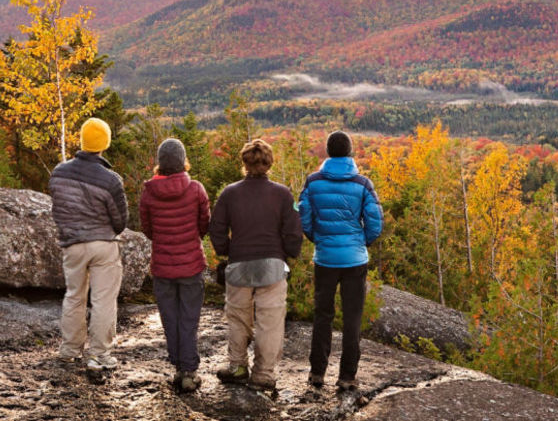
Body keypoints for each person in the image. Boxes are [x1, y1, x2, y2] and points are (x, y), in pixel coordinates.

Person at [209, 139, 303, 392]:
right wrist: (288, 254)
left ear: (245, 162)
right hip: (273, 265)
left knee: (238, 318)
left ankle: (238, 366)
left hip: (239, 265)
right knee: (269, 322)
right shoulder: (283, 194)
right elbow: (294, 231)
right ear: (269, 163)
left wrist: (227, 251)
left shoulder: (230, 193)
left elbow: (216, 228)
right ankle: (263, 373)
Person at [299, 130, 383, 392]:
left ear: (328, 152)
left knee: (322, 315)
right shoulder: (363, 183)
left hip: (325, 258)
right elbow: (375, 222)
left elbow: (304, 215)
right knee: (352, 318)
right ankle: (347, 376)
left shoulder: (313, 182)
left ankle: (317, 373)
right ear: (349, 152)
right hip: (354, 260)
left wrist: (318, 238)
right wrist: (362, 242)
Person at [49, 117, 128, 371]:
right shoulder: (111, 180)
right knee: (104, 300)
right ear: (105, 143)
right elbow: (120, 221)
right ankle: (99, 355)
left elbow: (58, 210)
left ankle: (70, 349)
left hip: (72, 244)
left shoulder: (58, 173)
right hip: (103, 244)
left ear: (82, 140)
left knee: (74, 296)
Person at [139, 138, 211, 393]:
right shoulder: (196, 189)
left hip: (162, 267)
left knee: (170, 319)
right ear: (182, 161)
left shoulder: (149, 192)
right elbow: (205, 225)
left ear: (160, 163)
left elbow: (148, 229)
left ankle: (179, 367)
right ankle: (189, 371)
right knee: (189, 319)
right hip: (191, 265)